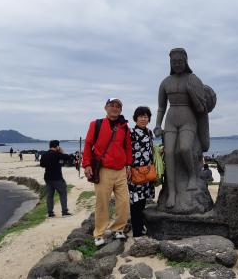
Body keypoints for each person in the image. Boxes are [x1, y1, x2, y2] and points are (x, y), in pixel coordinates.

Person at [154, 48, 214, 209]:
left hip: (188, 119)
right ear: (170, 63)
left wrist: (193, 92)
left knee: (185, 148)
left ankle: (192, 176)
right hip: (171, 118)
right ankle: (172, 192)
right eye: (174, 62)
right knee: (168, 153)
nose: (177, 64)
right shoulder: (165, 82)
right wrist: (158, 124)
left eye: (180, 61)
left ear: (186, 62)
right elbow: (161, 107)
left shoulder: (193, 79)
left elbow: (202, 107)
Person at [82, 98, 132, 246]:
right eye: (112, 105)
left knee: (123, 202)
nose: (115, 108)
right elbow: (88, 144)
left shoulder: (124, 127)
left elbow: (128, 148)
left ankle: (118, 229)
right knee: (102, 203)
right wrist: (86, 165)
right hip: (103, 170)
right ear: (106, 107)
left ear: (121, 110)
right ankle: (99, 233)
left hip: (121, 170)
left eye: (118, 106)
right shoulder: (95, 124)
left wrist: (129, 165)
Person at [129, 106, 155, 237]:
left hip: (147, 172)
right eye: (141, 116)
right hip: (135, 173)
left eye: (146, 116)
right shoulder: (131, 133)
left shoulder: (150, 133)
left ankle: (141, 226)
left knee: (143, 201)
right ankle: (137, 231)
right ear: (136, 118)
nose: (144, 119)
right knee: (135, 203)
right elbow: (127, 151)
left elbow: (151, 150)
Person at [40, 140, 72, 217]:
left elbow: (42, 164)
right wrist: (61, 152)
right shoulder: (58, 154)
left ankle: (50, 213)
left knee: (50, 195)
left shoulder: (45, 154)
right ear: (57, 146)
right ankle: (64, 212)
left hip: (47, 177)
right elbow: (67, 157)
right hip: (57, 178)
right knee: (63, 193)